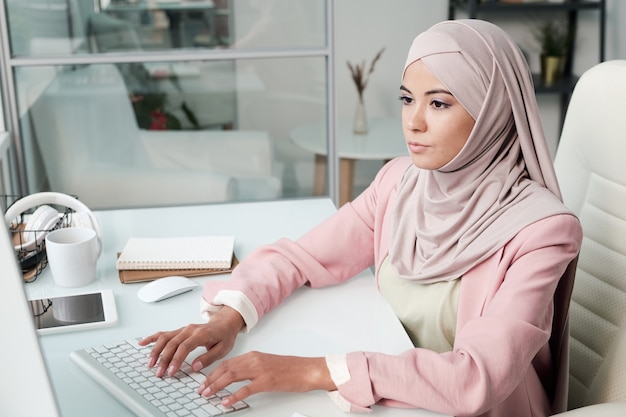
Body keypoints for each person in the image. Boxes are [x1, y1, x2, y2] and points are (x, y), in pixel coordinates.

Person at [139, 19, 582, 417]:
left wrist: (312, 372)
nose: (414, 122)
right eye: (408, 99)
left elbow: (476, 379)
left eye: (440, 104)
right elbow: (301, 257)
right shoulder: (399, 183)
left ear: (492, 111)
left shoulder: (543, 232)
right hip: (392, 390)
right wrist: (227, 319)